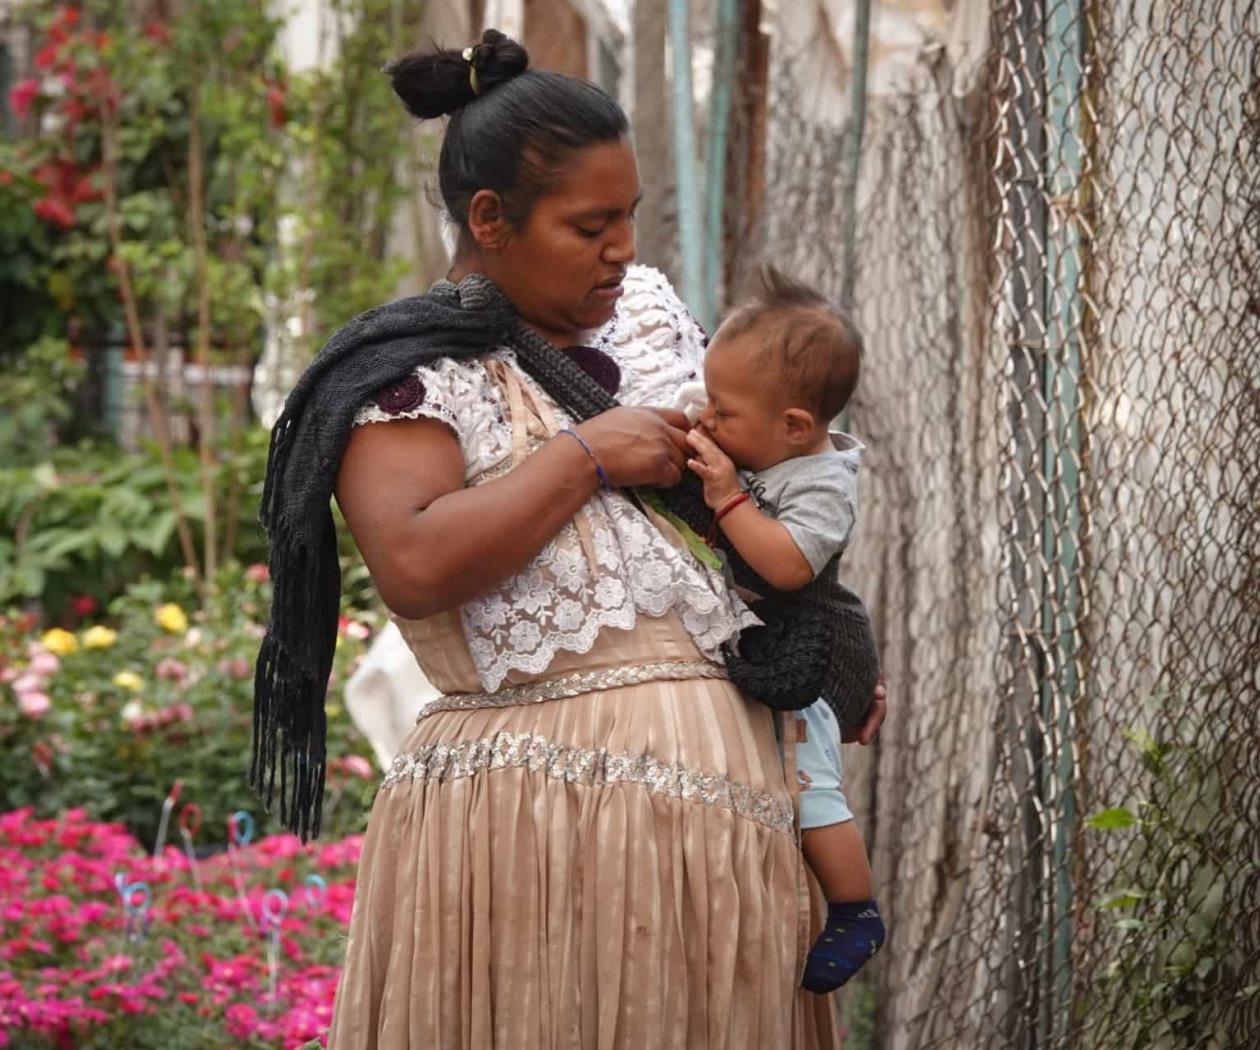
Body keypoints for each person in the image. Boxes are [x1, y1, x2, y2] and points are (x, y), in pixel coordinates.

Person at [251, 29, 885, 1050]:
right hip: (528, 849)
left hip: (727, 852)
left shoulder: (652, 330)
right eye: (591, 225)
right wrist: (584, 456)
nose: (623, 247)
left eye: (629, 215)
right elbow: (413, 563)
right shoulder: (412, 375)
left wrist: (828, 654)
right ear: (490, 219)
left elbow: (767, 498)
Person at [681, 267, 887, 995]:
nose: (708, 418)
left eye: (724, 411)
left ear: (795, 426)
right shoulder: (763, 438)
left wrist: (728, 496)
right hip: (781, 642)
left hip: (818, 656)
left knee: (809, 786)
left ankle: (856, 909)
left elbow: (789, 566)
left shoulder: (823, 483)